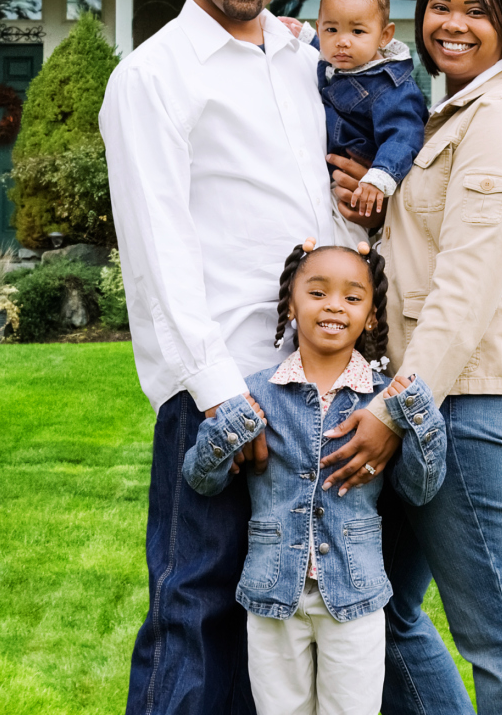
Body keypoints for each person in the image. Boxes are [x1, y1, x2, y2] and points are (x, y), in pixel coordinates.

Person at [101, 0, 345, 715]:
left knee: (280, 619)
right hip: (219, 390)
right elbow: (156, 249)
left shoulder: (299, 58)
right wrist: (216, 397)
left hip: (308, 385)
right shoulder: (153, 76)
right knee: (192, 608)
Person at [320, 0, 502, 715]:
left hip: (463, 401)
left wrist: (398, 408)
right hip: (428, 393)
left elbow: (465, 286)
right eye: (439, 6)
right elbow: (427, 249)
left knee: (498, 634)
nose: (452, 25)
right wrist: (367, 199)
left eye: (476, 10)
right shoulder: (448, 114)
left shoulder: (498, 123)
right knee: (370, 607)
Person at [182, 239, 446, 715]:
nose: (334, 307)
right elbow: (202, 478)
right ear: (291, 303)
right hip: (272, 595)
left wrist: (418, 412)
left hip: (354, 594)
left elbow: (420, 488)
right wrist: (236, 425)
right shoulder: (256, 392)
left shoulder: (383, 405)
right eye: (318, 292)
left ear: (371, 316)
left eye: (352, 297)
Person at [314, 0, 430, 222]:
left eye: (357, 31)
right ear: (319, 27)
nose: (342, 41)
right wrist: (297, 34)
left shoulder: (390, 87)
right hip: (323, 179)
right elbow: (319, 46)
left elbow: (404, 136)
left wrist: (379, 176)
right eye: (331, 30)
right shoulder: (335, 60)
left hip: (363, 185)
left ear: (384, 36)